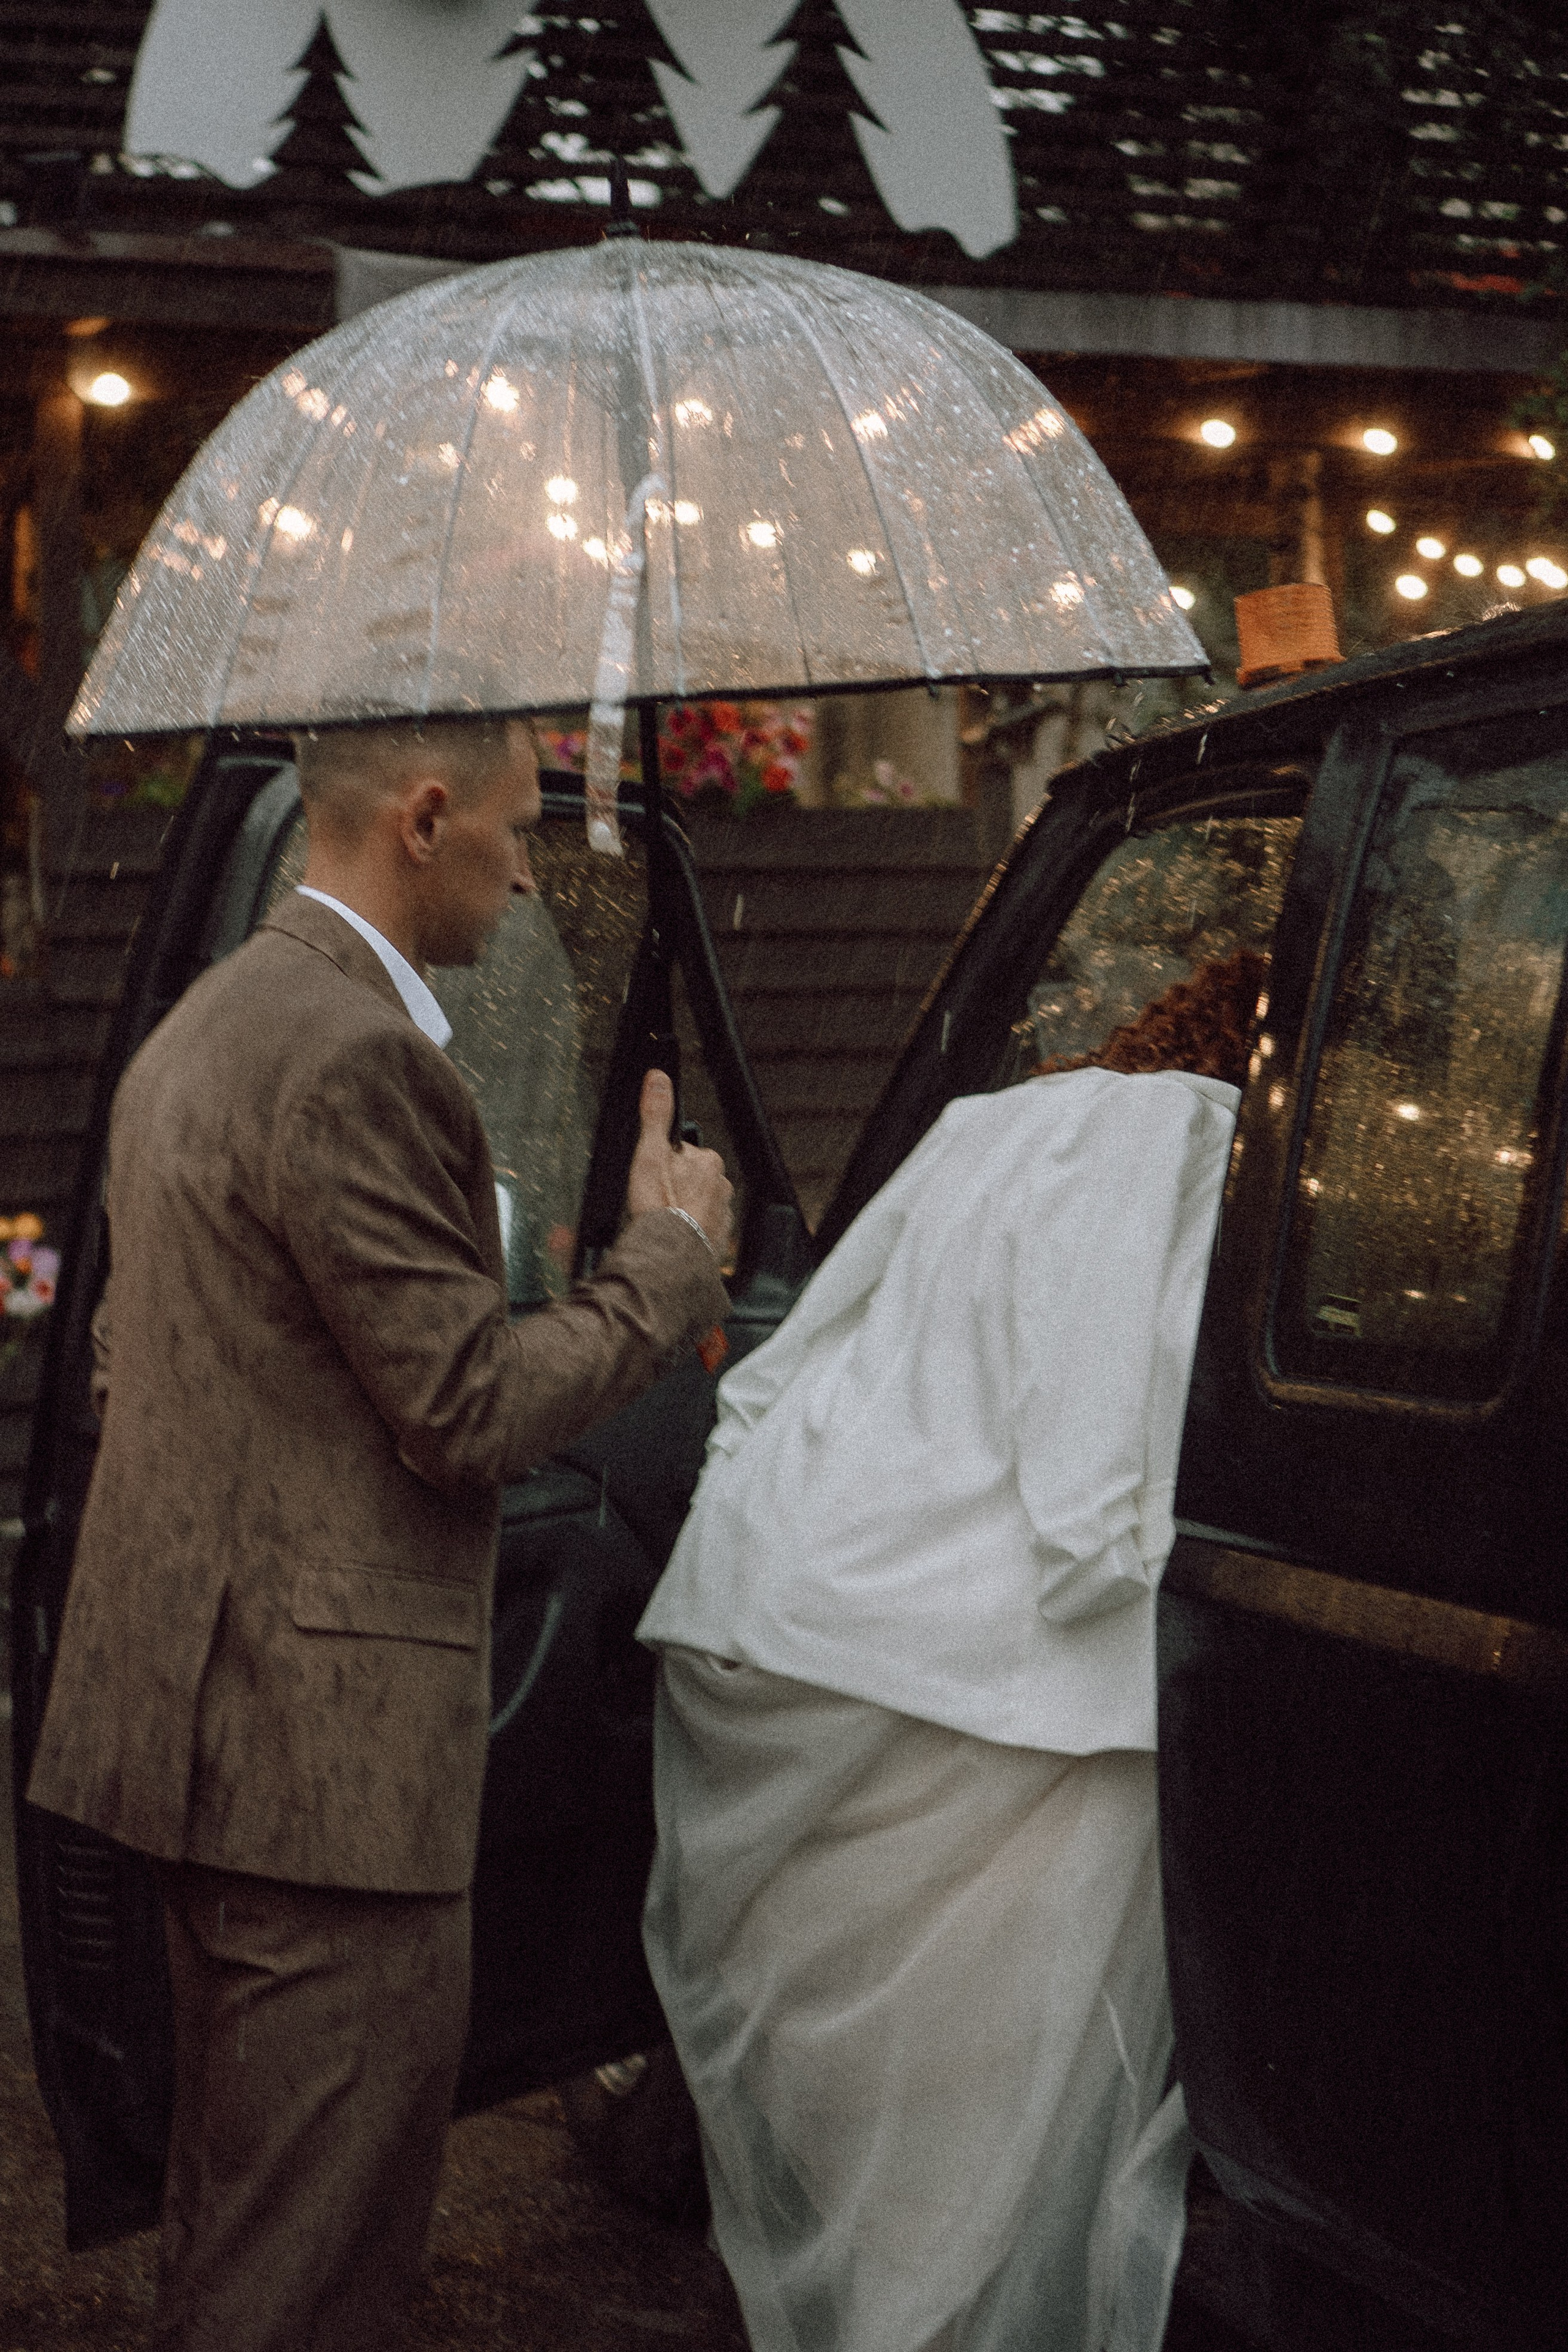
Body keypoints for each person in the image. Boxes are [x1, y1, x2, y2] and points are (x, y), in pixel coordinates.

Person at [26, 714, 733, 2351]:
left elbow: (152, 1361)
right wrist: (669, 1264)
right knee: (311, 2274)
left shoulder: (201, 1027)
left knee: (242, 2219)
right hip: (321, 1788)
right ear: (422, 818)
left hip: (198, 1748)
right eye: (507, 830)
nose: (521, 869)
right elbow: (469, 1406)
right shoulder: (358, 1058)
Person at [638, 951, 1264, 2352]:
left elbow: (782, 1371)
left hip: (807, 1641)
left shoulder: (991, 1126)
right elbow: (1091, 1493)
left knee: (887, 2116)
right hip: (1021, 1707)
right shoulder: (1198, 1139)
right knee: (1008, 2139)